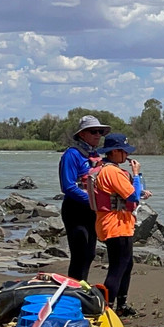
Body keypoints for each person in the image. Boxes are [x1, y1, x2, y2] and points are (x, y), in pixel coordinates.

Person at [89, 133, 147, 317]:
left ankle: (121, 305)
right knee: (118, 267)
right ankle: (107, 309)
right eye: (124, 151)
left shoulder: (106, 169)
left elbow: (130, 194)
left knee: (126, 264)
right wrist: (136, 175)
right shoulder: (112, 171)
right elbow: (132, 196)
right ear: (115, 152)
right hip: (115, 225)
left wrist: (139, 187)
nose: (126, 156)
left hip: (118, 224)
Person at [58, 115, 110, 282]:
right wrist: (95, 201)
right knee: (80, 253)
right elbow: (68, 186)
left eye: (100, 132)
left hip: (92, 210)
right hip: (75, 209)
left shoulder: (95, 155)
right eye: (93, 131)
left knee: (89, 253)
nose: (98, 135)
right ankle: (73, 292)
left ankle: (81, 287)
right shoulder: (71, 155)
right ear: (82, 134)